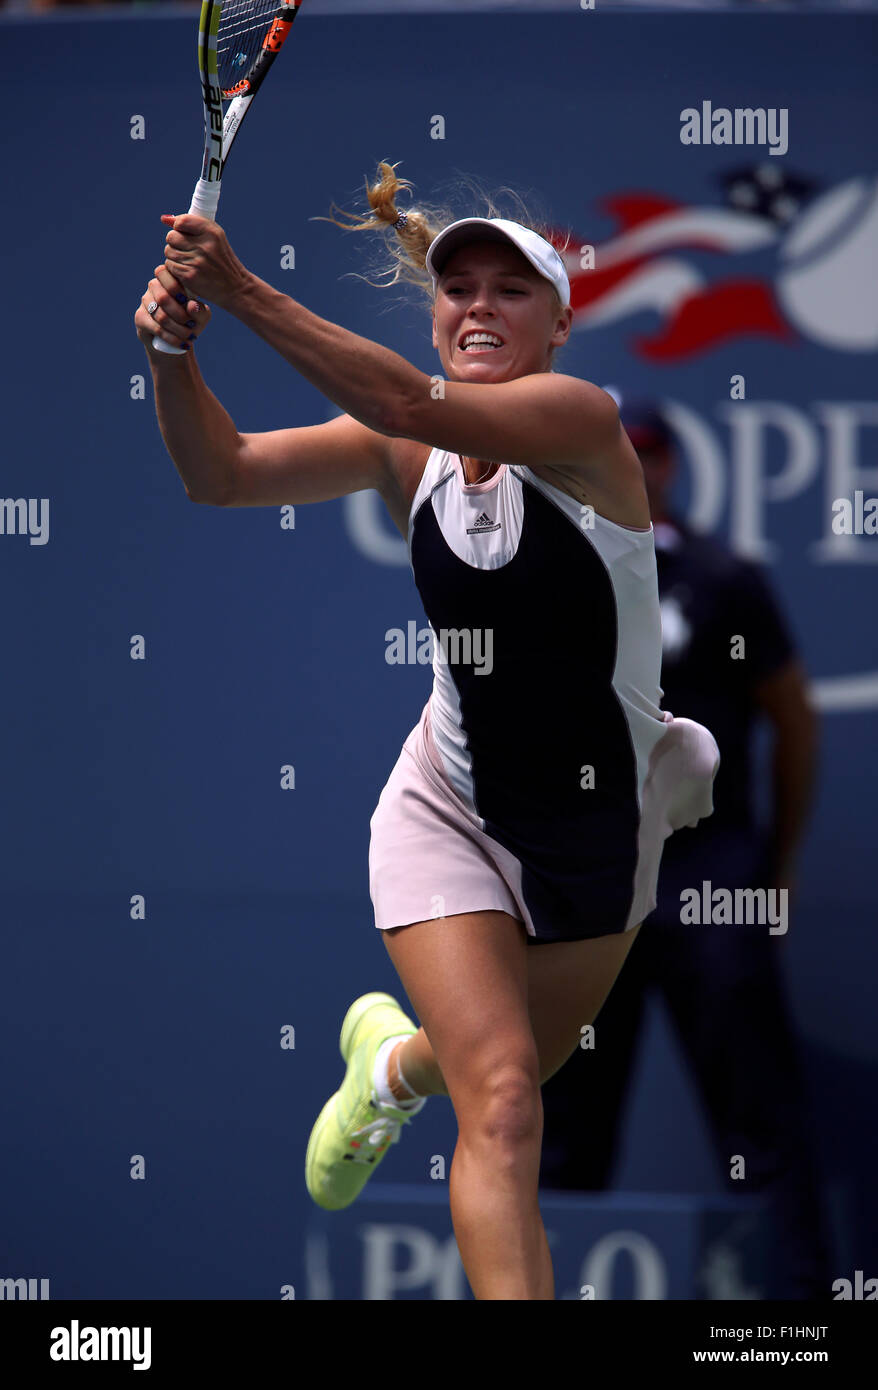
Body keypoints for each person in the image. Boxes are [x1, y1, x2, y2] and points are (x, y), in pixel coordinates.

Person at [134, 162, 719, 1301]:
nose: (480, 307)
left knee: (491, 1067)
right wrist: (170, 351)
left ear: (557, 324)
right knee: (503, 1098)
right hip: (446, 807)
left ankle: (387, 1067)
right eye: (459, 290)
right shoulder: (404, 454)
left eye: (512, 290)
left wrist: (241, 289)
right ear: (435, 310)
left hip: (603, 828)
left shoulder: (580, 421)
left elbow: (403, 399)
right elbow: (224, 473)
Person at [538, 399, 833, 1300]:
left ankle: (800, 1323)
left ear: (671, 465)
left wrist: (771, 869)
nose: (637, 466)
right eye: (619, 450)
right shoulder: (552, 573)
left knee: (760, 1119)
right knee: (563, 1127)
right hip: (595, 887)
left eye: (651, 452)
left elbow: (793, 724)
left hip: (712, 880)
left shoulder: (726, 576)